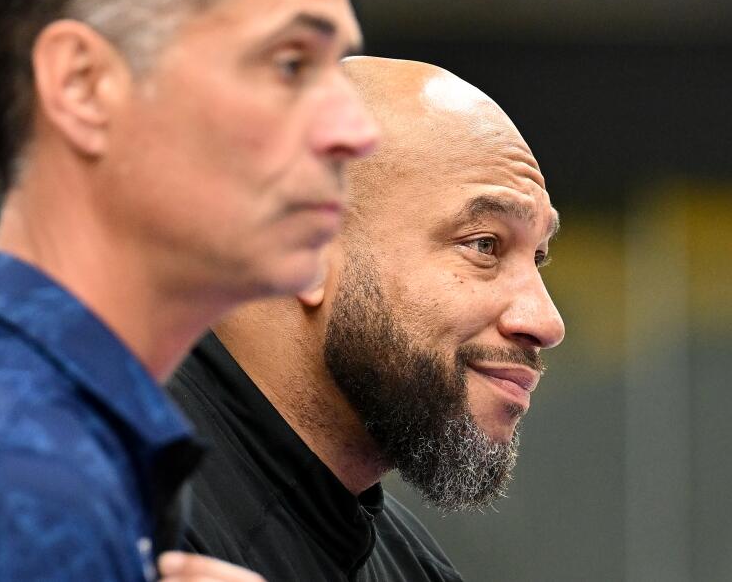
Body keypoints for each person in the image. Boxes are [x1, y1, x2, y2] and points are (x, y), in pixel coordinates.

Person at [0, 0, 379, 581]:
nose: (354, 128)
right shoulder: (13, 476)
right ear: (83, 86)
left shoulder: (29, 440)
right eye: (290, 64)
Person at [169, 57, 567, 580]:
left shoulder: (409, 567)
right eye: (484, 245)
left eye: (537, 258)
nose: (546, 321)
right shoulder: (83, 486)